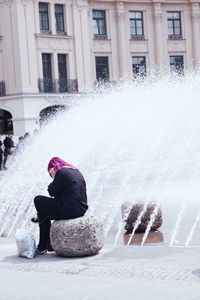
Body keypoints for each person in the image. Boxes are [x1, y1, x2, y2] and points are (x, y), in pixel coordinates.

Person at [33, 157, 88, 254]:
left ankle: (43, 246)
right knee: (44, 213)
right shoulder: (76, 171)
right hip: (81, 209)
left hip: (69, 210)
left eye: (50, 174)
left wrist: (54, 177)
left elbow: (52, 192)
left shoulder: (61, 172)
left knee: (38, 200)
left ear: (52, 168)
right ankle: (47, 245)